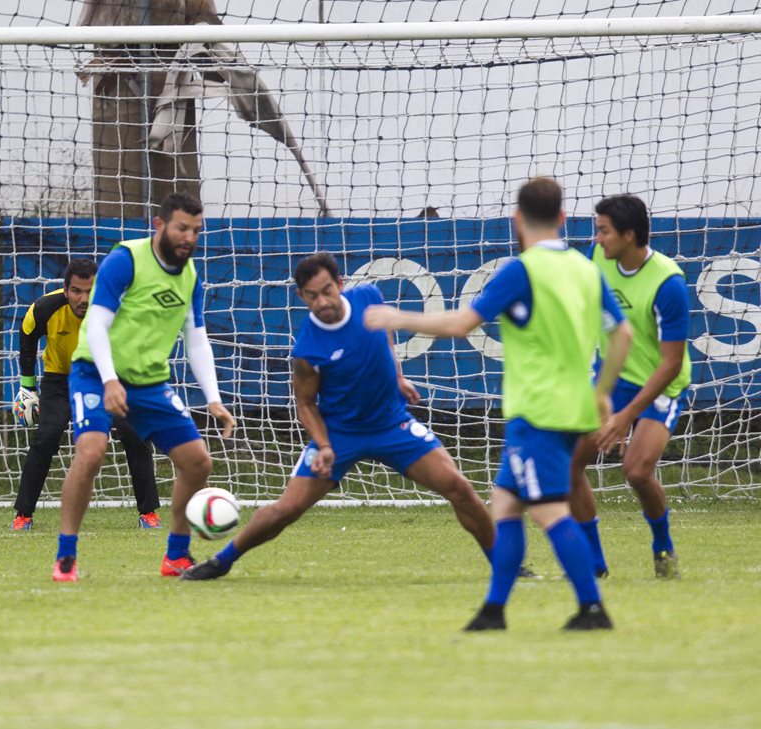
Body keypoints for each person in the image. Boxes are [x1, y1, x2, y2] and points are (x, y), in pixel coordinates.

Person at [365, 177, 634, 631]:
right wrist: (603, 392)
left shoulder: (521, 270)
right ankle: (494, 611)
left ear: (517, 220)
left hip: (538, 411)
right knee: (505, 502)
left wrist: (398, 316)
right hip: (571, 406)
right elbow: (622, 334)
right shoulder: (585, 268)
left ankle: (593, 607)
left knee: (550, 510)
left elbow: (462, 323)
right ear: (564, 219)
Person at [182, 253, 497, 581]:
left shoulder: (369, 298)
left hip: (392, 423)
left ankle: (504, 562)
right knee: (287, 509)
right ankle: (223, 560)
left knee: (459, 487)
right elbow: (305, 404)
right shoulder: (309, 347)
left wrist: (398, 377)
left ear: (341, 284)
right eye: (312, 296)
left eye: (327, 290)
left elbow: (385, 336)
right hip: (340, 434)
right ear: (300, 296)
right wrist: (323, 445)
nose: (322, 301)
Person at [52, 191, 235, 581]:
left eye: (196, 231)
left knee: (198, 462)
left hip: (149, 382)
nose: (189, 237)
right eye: (182, 228)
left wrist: (215, 399)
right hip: (94, 372)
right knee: (91, 452)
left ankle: (176, 555)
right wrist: (109, 380)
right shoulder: (126, 260)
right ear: (160, 224)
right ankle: (66, 555)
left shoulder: (189, 276)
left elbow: (196, 338)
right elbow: (97, 325)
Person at [569, 194, 690, 579]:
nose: (597, 238)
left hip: (660, 384)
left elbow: (671, 364)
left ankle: (662, 546)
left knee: (636, 471)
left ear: (629, 234)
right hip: (613, 377)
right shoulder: (597, 260)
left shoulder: (668, 283)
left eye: (604, 230)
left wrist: (625, 417)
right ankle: (594, 563)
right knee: (570, 462)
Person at [12, 258, 162, 531]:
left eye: (90, 291)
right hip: (60, 380)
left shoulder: (117, 309)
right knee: (46, 437)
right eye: (76, 291)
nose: (83, 298)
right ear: (66, 290)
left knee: (134, 432)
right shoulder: (45, 308)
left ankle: (148, 514)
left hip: (106, 378)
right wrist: (27, 386)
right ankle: (23, 515)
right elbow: (27, 333)